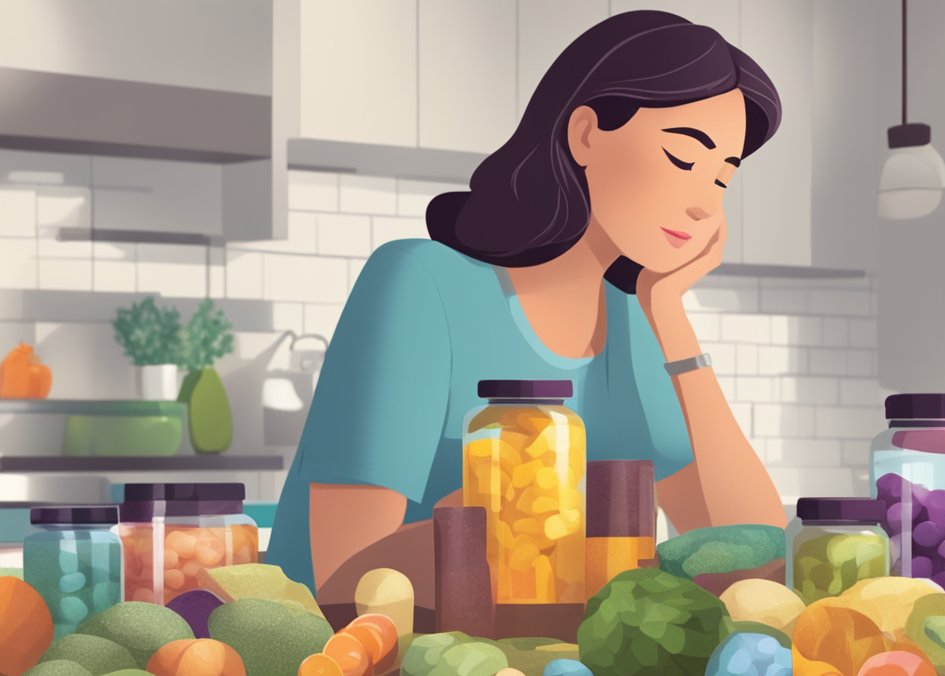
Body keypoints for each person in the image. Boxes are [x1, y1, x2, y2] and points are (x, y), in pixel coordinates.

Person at [267, 10, 786, 603]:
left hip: (553, 668)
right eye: (684, 158)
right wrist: (522, 519)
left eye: (722, 179)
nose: (704, 204)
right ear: (586, 133)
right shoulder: (420, 284)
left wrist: (667, 310)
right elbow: (345, 578)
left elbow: (754, 552)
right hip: (354, 671)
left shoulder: (637, 325)